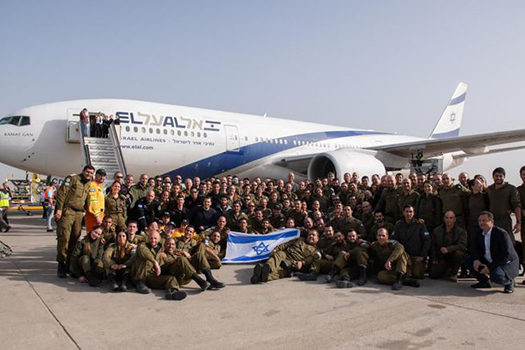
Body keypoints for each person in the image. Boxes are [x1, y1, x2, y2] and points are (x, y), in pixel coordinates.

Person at [54, 165, 94, 278]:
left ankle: (69, 265)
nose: (89, 174)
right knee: (64, 237)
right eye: (87, 172)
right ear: (83, 171)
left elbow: (87, 200)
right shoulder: (72, 179)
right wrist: (59, 209)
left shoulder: (89, 184)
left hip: (79, 214)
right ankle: (61, 264)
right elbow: (62, 193)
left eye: (91, 173)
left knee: (75, 239)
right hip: (68, 211)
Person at [469, 211, 519, 294]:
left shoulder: (501, 234)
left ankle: (509, 282)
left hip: (504, 263)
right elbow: (474, 249)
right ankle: (484, 282)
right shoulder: (478, 233)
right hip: (489, 260)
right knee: (468, 260)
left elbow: (506, 255)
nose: (481, 223)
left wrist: (489, 267)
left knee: (496, 275)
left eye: (484, 220)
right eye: (480, 221)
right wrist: (476, 260)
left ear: (491, 222)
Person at [250, 230, 320, 284]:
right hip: (286, 254)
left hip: (292, 263)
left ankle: (259, 277)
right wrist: (276, 249)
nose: (311, 236)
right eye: (310, 234)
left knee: (280, 272)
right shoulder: (300, 239)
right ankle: (268, 267)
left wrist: (302, 263)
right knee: (279, 254)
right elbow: (286, 244)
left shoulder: (315, 250)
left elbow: (309, 260)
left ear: (317, 238)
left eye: (313, 235)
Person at [391, 205, 430, 279]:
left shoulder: (420, 224)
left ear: (413, 213)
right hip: (404, 256)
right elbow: (393, 239)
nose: (408, 214)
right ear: (403, 213)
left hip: (416, 256)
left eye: (410, 212)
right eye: (407, 211)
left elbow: (427, 240)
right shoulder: (398, 224)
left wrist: (422, 255)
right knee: (403, 274)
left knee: (418, 275)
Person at [486, 167, 521, 243]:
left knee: (508, 242)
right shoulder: (489, 189)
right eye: (496, 176)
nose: (498, 178)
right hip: (492, 220)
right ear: (493, 177)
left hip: (505, 220)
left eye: (500, 176)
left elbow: (517, 206)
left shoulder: (511, 189)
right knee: (494, 243)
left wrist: (518, 223)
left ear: (504, 177)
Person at [429, 211, 467, 281]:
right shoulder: (437, 230)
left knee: (459, 253)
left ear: (454, 219)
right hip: (441, 256)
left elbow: (463, 246)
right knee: (433, 274)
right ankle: (447, 270)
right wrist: (434, 258)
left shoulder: (461, 231)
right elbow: (432, 246)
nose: (448, 220)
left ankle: (453, 274)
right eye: (446, 218)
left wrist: (449, 249)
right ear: (444, 219)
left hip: (453, 256)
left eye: (451, 218)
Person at [84, 168, 106, 233]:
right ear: (96, 175)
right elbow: (92, 201)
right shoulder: (93, 185)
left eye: (104, 176)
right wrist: (97, 215)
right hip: (93, 216)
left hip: (99, 214)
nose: (102, 177)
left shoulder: (99, 186)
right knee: (92, 235)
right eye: (100, 175)